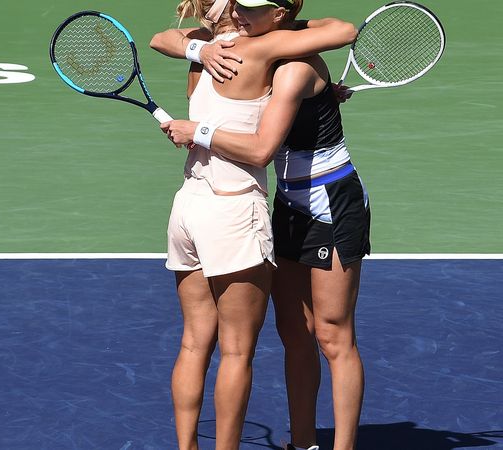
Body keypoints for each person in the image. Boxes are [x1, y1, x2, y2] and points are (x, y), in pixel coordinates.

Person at [161, 3, 370, 449]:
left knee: (333, 335)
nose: (241, 9)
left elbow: (260, 149)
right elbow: (167, 38)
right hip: (284, 203)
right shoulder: (239, 51)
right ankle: (304, 442)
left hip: (330, 202)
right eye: (239, 5)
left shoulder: (289, 66)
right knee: (294, 332)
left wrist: (195, 129)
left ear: (279, 16)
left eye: (253, 7)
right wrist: (201, 48)